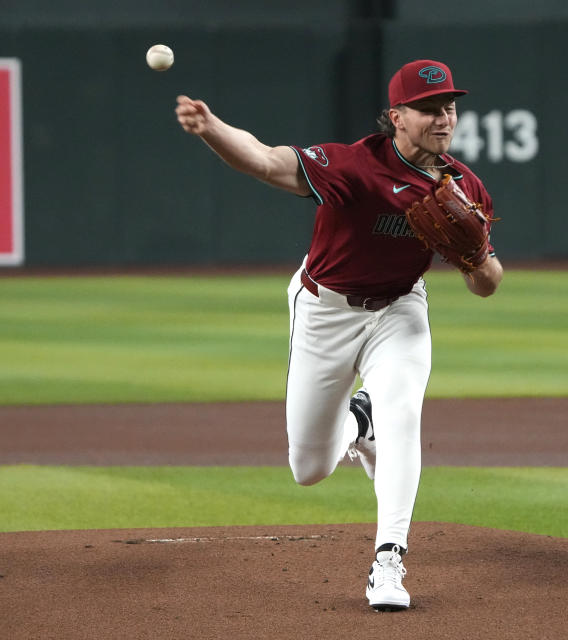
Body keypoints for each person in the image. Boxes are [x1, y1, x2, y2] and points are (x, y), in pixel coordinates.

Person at [175, 58, 503, 611]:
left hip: (400, 309)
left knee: (403, 413)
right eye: (428, 109)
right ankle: (358, 420)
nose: (443, 117)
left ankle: (389, 559)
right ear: (396, 116)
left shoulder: (463, 184)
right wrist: (213, 129)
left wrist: (474, 258)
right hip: (325, 311)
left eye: (448, 107)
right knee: (309, 469)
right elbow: (266, 162)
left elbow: (487, 284)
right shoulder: (354, 165)